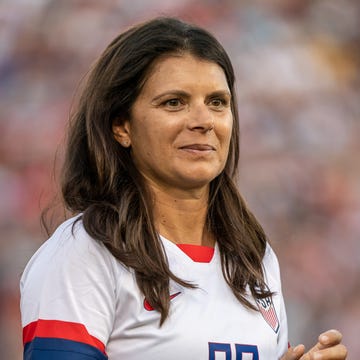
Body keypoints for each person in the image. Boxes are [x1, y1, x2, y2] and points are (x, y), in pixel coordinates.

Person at [20, 17, 347, 360]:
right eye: (174, 102)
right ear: (121, 126)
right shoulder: (84, 254)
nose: (203, 120)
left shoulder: (254, 257)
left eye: (218, 102)